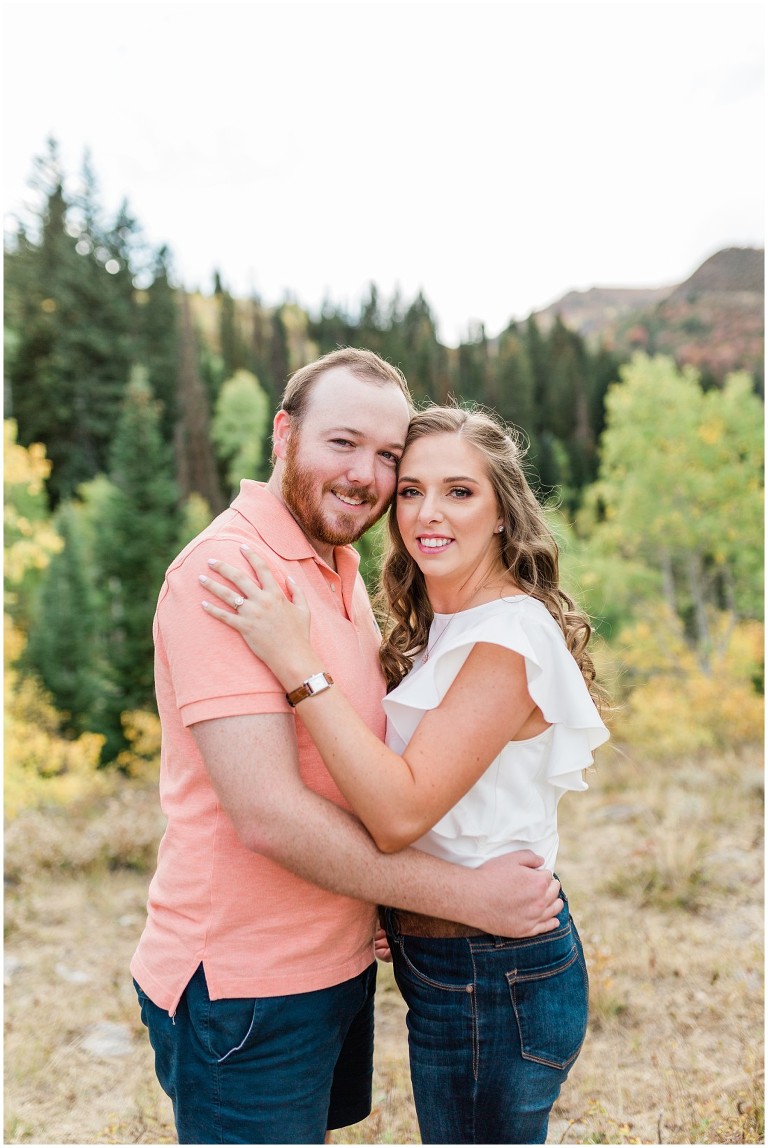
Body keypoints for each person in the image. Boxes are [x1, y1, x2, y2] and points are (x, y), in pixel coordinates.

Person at [131, 350, 564, 1146]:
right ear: (284, 434)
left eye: (389, 456)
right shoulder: (230, 573)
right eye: (342, 443)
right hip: (247, 982)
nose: (366, 475)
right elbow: (268, 814)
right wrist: (463, 897)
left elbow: (347, 766)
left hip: (334, 966)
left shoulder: (337, 565)